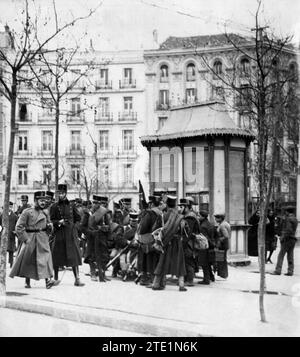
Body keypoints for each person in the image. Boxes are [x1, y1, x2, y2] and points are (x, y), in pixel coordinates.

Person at [9, 191, 55, 289]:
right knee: (28, 259)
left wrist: (50, 227)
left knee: (45, 258)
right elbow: (19, 227)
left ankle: (48, 281)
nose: (43, 203)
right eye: (41, 200)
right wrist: (26, 239)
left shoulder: (45, 212)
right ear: (35, 201)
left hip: (42, 238)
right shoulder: (27, 212)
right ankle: (27, 281)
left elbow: (48, 225)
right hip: (30, 238)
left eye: (44, 201)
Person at [50, 184, 84, 286]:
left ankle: (77, 279)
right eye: (59, 193)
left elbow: (78, 219)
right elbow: (52, 220)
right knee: (56, 256)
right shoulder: (54, 206)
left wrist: (75, 228)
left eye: (62, 193)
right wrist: (59, 222)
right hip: (59, 233)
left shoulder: (72, 205)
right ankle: (55, 278)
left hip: (70, 234)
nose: (60, 195)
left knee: (74, 256)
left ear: (65, 193)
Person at [152, 195, 187, 292]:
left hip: (165, 242)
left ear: (167, 204)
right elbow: (184, 231)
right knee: (179, 263)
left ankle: (156, 284)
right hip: (177, 242)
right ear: (175, 204)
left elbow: (154, 229)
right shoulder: (180, 217)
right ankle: (181, 285)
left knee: (162, 262)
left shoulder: (162, 216)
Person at [137, 195, 163, 286]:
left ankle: (147, 279)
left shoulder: (149, 213)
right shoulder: (161, 213)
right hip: (159, 239)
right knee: (156, 260)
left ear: (151, 204)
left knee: (147, 260)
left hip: (148, 240)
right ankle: (155, 279)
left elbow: (143, 228)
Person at [88, 195, 112, 282]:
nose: (95, 204)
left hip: (102, 237)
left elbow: (108, 224)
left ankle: (103, 273)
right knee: (92, 256)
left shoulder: (104, 212)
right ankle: (93, 273)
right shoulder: (89, 213)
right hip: (92, 237)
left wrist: (106, 228)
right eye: (94, 202)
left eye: (97, 203)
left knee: (104, 255)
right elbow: (83, 226)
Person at [178, 198, 199, 287]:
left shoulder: (190, 217)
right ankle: (187, 279)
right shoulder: (189, 215)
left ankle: (190, 280)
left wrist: (183, 242)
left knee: (188, 261)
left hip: (189, 243)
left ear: (186, 207)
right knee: (186, 260)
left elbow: (188, 233)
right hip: (189, 242)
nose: (180, 209)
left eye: (182, 206)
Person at [272, 206, 298, 276]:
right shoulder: (295, 219)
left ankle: (278, 270)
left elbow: (288, 230)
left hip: (287, 239)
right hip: (293, 239)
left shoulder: (288, 219)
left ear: (287, 212)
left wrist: (282, 237)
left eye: (285, 211)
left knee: (281, 255)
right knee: (290, 255)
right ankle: (290, 271)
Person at [198, 210, 217, 285]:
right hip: (211, 246)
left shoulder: (203, 226)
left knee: (204, 263)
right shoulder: (210, 224)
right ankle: (211, 277)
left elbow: (203, 238)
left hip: (205, 246)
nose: (198, 217)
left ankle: (206, 280)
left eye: (199, 216)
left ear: (203, 217)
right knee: (208, 263)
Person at [0, 202, 18, 268]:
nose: (9, 208)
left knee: (11, 250)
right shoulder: (2, 215)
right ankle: (2, 262)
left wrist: (15, 231)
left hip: (11, 235)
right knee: (3, 249)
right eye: (8, 207)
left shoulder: (15, 216)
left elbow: (17, 225)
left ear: (12, 207)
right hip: (3, 234)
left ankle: (11, 263)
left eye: (10, 207)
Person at [214, 213, 231, 279]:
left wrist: (219, 240)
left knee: (221, 260)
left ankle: (223, 275)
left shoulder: (222, 225)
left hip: (222, 245)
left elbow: (226, 236)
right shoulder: (225, 223)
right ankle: (223, 274)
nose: (215, 219)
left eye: (216, 218)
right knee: (223, 259)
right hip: (225, 244)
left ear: (220, 218)